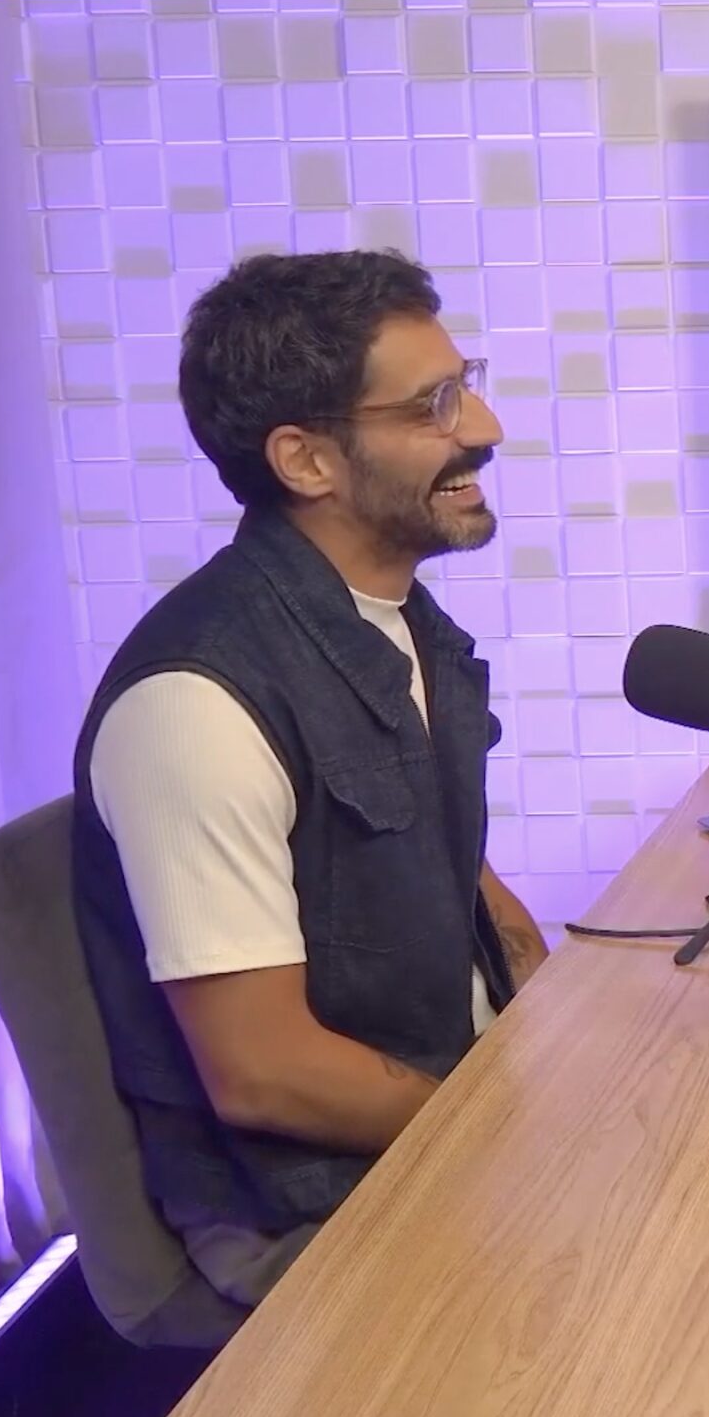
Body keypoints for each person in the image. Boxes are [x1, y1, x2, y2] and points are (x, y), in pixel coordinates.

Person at [70, 250, 546, 1307]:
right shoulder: (194, 705)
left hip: (449, 1117)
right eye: (433, 405)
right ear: (306, 460)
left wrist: (553, 1051)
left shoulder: (393, 622)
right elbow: (264, 1069)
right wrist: (506, 1127)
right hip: (311, 1208)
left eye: (463, 384)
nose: (484, 426)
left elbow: (452, 869)